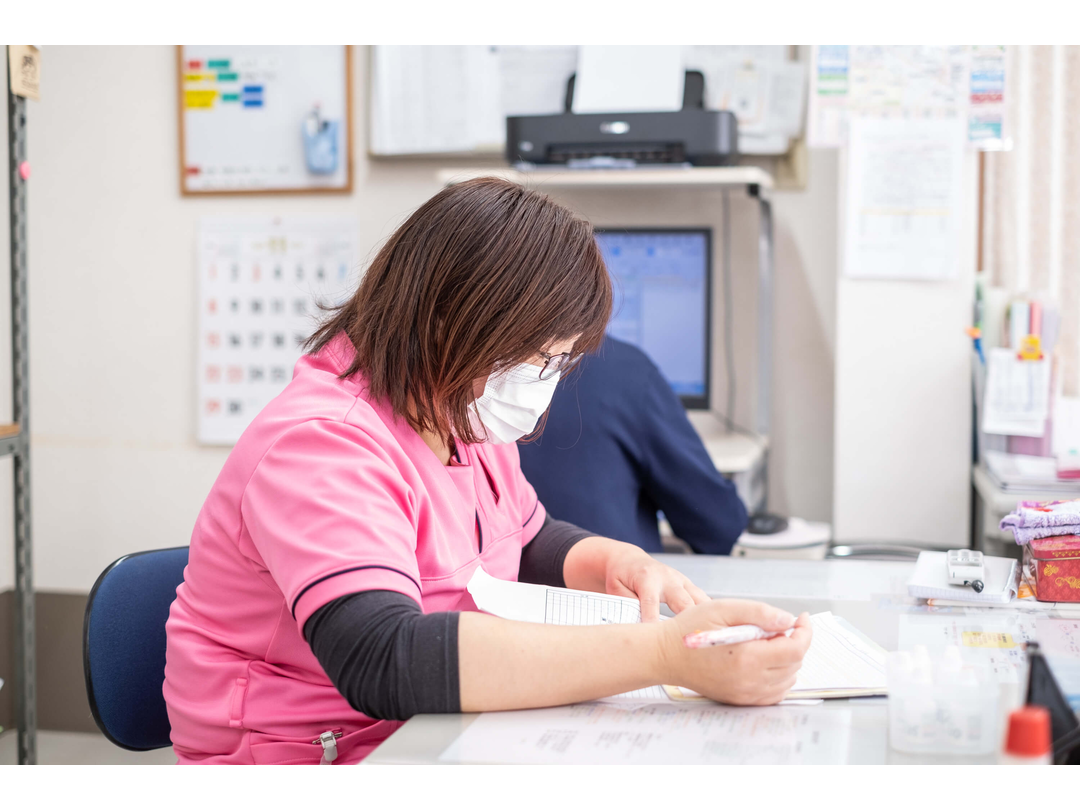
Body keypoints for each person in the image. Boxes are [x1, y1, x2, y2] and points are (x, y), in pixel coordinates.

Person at [163, 178, 811, 765]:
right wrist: (668, 657)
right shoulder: (322, 445)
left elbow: (524, 538)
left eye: (559, 364)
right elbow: (384, 658)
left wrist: (613, 560)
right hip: (308, 757)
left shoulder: (456, 409)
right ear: (451, 323)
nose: (542, 388)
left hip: (430, 735)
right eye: (537, 360)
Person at [519, 334, 748, 554]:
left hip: (520, 577)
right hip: (606, 585)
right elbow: (717, 525)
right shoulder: (626, 370)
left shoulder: (492, 379)